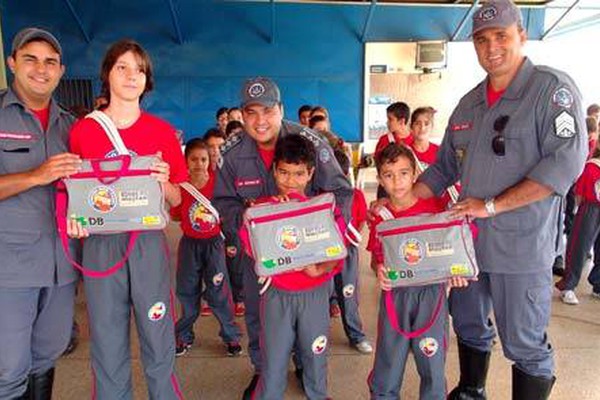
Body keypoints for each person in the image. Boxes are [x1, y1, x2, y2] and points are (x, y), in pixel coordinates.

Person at [413, 1, 587, 398]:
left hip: (521, 245)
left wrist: (491, 206)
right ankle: (472, 390)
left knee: (523, 339)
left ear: (522, 37)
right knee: (469, 322)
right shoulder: (469, 103)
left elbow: (565, 163)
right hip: (469, 245)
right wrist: (397, 204)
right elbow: (442, 170)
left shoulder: (550, 90)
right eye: (482, 39)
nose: (492, 47)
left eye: (501, 36)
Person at [213, 76, 353, 399]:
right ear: (242, 115)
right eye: (251, 112)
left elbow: (342, 193)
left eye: (268, 111)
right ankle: (264, 372)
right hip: (261, 259)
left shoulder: (311, 143)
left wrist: (325, 251)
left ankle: (307, 368)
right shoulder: (231, 154)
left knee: (311, 328)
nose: (260, 121)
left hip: (309, 262)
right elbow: (223, 203)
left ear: (281, 110)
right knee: (257, 316)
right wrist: (251, 229)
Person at [68, 39, 186, 399]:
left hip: (147, 244)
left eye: (139, 69)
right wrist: (74, 219)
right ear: (107, 74)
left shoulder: (162, 132)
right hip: (101, 245)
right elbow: (72, 193)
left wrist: (165, 183)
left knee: (158, 338)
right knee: (106, 342)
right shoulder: (84, 131)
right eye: (122, 67)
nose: (131, 75)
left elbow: (180, 201)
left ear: (147, 79)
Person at [0, 27, 82, 400]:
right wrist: (35, 176)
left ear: (61, 71)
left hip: (62, 265)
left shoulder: (71, 126)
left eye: (50, 62)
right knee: (8, 368)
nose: (41, 69)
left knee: (46, 356)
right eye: (30, 59)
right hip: (11, 268)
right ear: (12, 63)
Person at [240, 134, 344, 399]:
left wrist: (319, 269)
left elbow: (338, 250)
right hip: (278, 295)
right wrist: (274, 219)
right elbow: (252, 248)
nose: (290, 181)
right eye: (284, 173)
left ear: (310, 173)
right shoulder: (261, 210)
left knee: (315, 351)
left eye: (299, 174)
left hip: (315, 293)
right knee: (274, 357)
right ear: (274, 170)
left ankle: (317, 393)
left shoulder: (324, 207)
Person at [367, 144, 468, 399]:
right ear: (380, 179)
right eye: (388, 175)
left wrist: (456, 271)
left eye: (403, 173)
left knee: (431, 359)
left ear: (415, 174)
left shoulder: (436, 206)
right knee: (389, 359)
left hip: (431, 294)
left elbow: (456, 243)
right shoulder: (380, 215)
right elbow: (375, 257)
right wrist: (379, 268)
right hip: (396, 295)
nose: (397, 181)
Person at [171, 139, 242, 356]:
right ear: (186, 161)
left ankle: (230, 336)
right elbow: (175, 215)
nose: (199, 164)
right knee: (187, 291)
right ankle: (183, 336)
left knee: (219, 291)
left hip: (214, 246)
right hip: (190, 246)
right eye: (193, 159)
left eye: (203, 159)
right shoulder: (180, 187)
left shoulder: (218, 185)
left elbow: (227, 213)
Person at [330, 147, 373, 354]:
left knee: (348, 294)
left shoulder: (355, 195)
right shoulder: (320, 197)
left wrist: (352, 238)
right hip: (323, 256)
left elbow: (361, 220)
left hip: (347, 252)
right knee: (319, 299)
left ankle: (356, 335)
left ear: (347, 173)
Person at [555, 119, 600, 304]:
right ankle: (568, 285)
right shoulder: (592, 165)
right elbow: (579, 192)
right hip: (591, 207)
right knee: (580, 245)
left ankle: (598, 283)